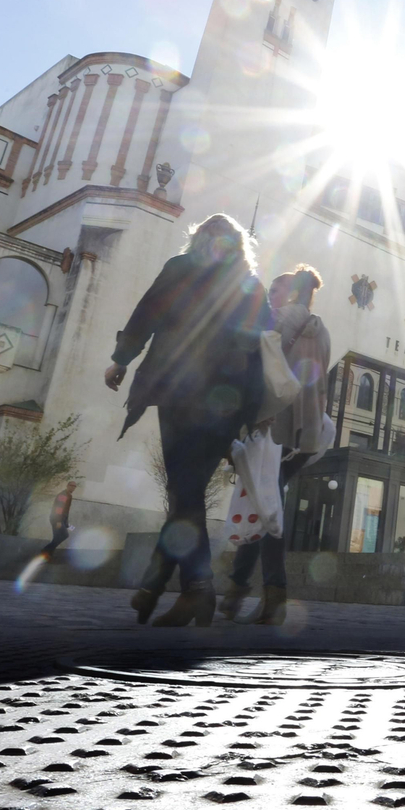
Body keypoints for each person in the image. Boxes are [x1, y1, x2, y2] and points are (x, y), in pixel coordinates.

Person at [105, 214, 271, 626]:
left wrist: (121, 360)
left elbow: (148, 312)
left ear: (198, 239)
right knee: (187, 492)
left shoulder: (182, 269)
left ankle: (196, 588)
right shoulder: (250, 286)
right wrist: (251, 412)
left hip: (181, 390)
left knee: (184, 492)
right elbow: (261, 348)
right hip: (228, 402)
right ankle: (157, 589)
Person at [222, 265, 331, 625]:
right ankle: (238, 590)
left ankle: (272, 595)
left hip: (274, 427)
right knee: (265, 500)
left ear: (294, 292)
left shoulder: (277, 319)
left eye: (277, 289)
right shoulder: (322, 330)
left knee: (269, 507)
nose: (271, 295)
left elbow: (254, 368)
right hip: (305, 434)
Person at [39, 480, 76, 558]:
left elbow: (66, 510)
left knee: (57, 538)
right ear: (67, 486)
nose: (73, 487)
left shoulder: (69, 495)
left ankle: (48, 554)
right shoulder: (63, 495)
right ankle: (46, 550)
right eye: (71, 485)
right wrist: (58, 521)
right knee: (65, 535)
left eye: (74, 486)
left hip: (61, 520)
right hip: (56, 519)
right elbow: (59, 508)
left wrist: (66, 523)